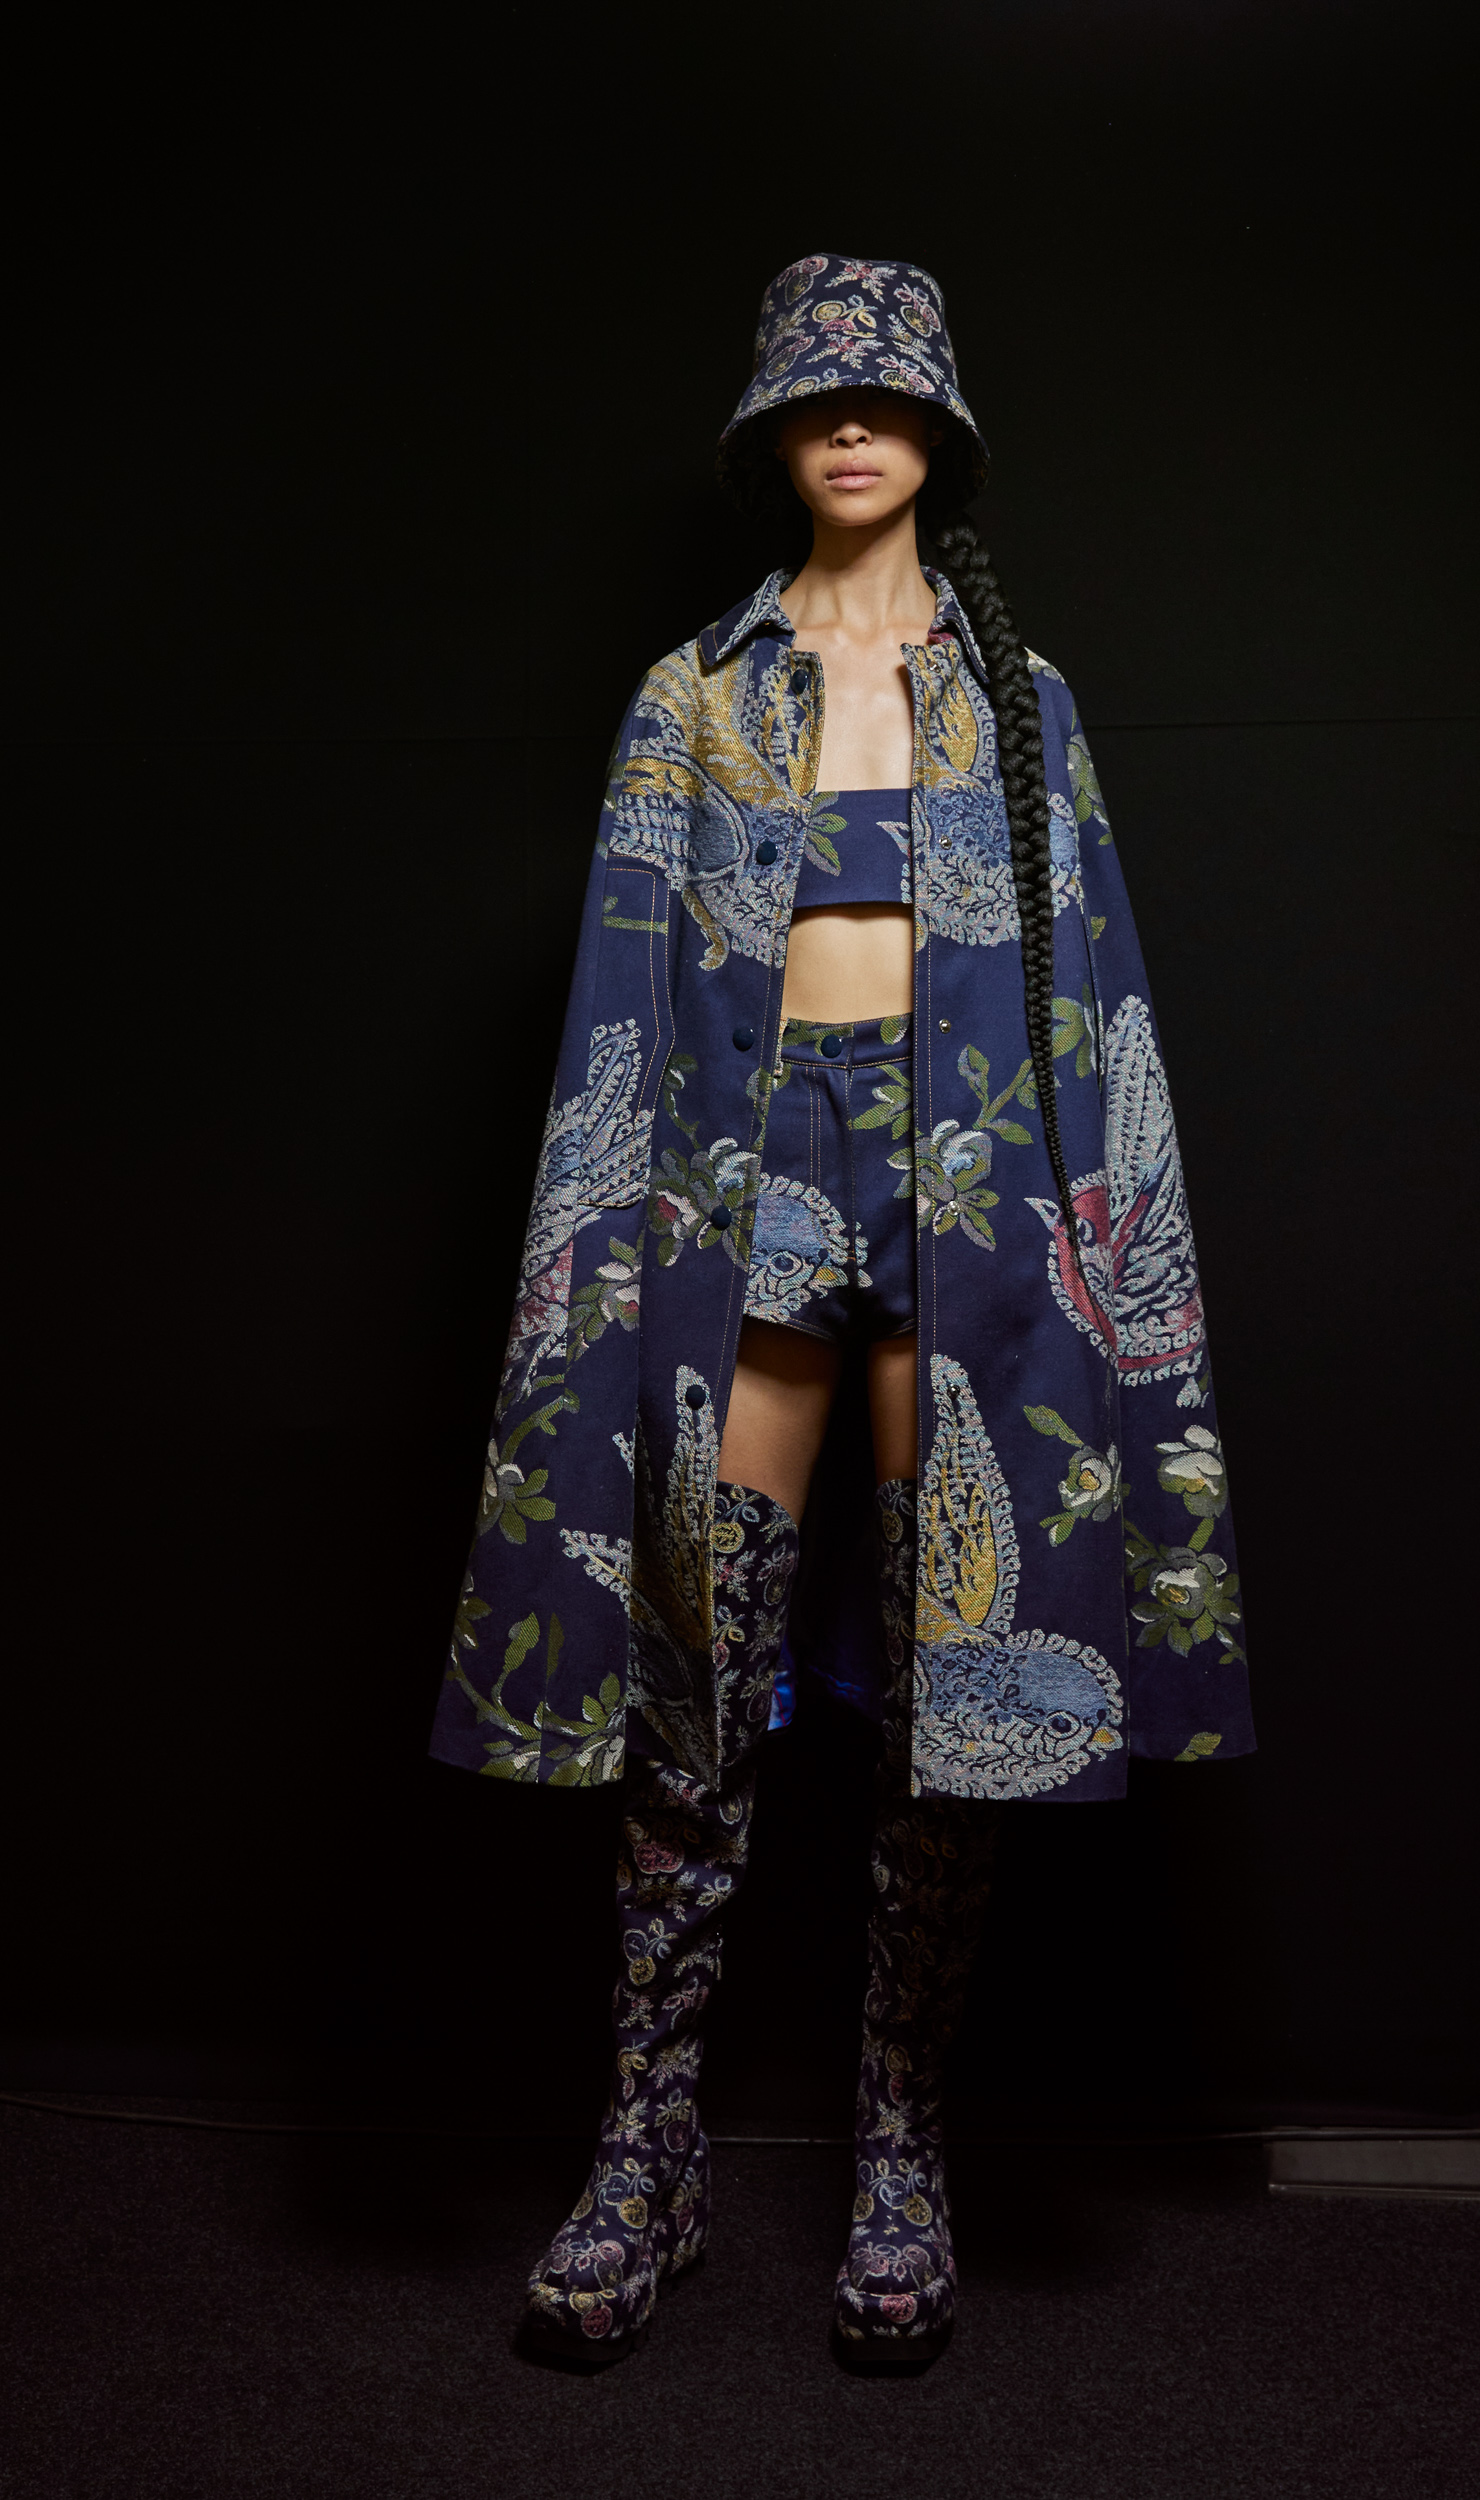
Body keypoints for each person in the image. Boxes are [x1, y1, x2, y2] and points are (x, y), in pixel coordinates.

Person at [430, 254, 1253, 2374]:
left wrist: (1091, 1252)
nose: (853, 423)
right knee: (696, 1648)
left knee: (953, 1664)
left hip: (969, 1170)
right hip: (745, 1161)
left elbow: (1101, 1004)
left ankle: (902, 2138)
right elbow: (621, 982)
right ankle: (648, 2146)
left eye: (887, 396)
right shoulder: (692, 688)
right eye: (818, 398)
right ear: (775, 438)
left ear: (938, 437)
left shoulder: (1021, 693)